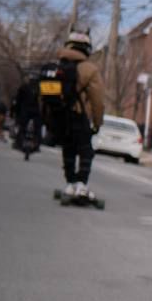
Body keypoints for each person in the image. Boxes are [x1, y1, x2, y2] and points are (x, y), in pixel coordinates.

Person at [49, 30, 105, 200]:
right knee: (85, 150)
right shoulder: (90, 69)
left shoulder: (57, 66)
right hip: (78, 115)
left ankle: (69, 183)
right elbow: (97, 100)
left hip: (59, 115)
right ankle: (81, 184)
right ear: (87, 48)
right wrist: (97, 123)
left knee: (68, 149)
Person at [13, 72, 43, 156]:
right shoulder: (40, 88)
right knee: (37, 128)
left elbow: (18, 101)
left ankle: (18, 143)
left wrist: (16, 112)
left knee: (22, 127)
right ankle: (37, 145)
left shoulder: (24, 87)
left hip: (25, 110)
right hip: (36, 111)